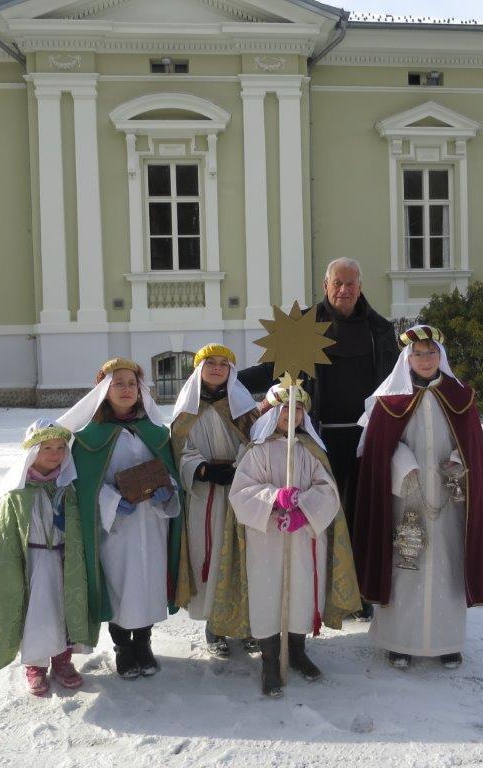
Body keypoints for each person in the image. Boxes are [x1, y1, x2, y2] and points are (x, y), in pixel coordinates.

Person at [238, 258, 399, 620]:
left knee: (362, 515)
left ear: (360, 286)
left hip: (366, 440)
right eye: (337, 283)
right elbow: (272, 370)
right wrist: (229, 378)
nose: (344, 290)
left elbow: (395, 381)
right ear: (325, 286)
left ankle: (356, 592)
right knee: (319, 513)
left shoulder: (379, 330)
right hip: (316, 438)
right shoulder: (305, 326)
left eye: (351, 283)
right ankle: (321, 590)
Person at [353, 325, 483, 669]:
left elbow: (472, 445)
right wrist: (403, 464)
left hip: (450, 498)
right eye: (418, 354)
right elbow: (377, 449)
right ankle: (399, 641)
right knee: (406, 561)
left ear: (441, 356)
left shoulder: (460, 397)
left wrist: (458, 460)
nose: (425, 359)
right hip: (406, 494)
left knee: (448, 562)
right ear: (407, 358)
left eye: (431, 352)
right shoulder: (390, 401)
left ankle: (446, 641)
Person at [58, 358, 192, 680]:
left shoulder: (155, 433)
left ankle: (143, 644)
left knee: (149, 583)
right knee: (119, 585)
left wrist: (168, 493)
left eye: (132, 383)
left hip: (153, 523)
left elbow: (170, 474)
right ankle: (122, 647)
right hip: (115, 529)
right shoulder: (88, 438)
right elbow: (84, 488)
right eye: (118, 383)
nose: (127, 389)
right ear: (104, 390)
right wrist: (113, 502)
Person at [229, 383, 361, 697]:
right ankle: (270, 660)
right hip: (266, 539)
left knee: (302, 592)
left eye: (298, 409)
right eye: (286, 408)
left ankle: (297, 650)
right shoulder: (256, 451)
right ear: (272, 412)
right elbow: (241, 493)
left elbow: (327, 490)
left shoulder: (309, 451)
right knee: (267, 594)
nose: (292, 414)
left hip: (303, 538)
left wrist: (304, 512)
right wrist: (274, 498)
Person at [0, 419, 95, 696]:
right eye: (47, 448)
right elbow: (4, 538)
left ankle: (63, 661)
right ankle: (36, 665)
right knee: (38, 614)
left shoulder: (67, 488)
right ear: (33, 451)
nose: (55, 454)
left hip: (65, 561)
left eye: (60, 448)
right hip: (33, 563)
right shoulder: (17, 493)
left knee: (64, 612)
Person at [170, 343, 259, 658]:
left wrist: (240, 467)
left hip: (241, 494)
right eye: (211, 363)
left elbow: (258, 444)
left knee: (243, 558)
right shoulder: (186, 411)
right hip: (204, 496)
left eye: (224, 363)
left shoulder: (244, 409)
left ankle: (247, 626)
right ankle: (216, 627)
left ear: (231, 370)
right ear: (198, 369)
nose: (217, 368)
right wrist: (202, 469)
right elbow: (180, 450)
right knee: (208, 558)